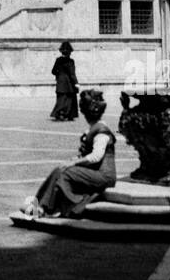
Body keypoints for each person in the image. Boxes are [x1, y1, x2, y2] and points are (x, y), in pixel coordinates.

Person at [19, 90, 116, 219]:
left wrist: (74, 162)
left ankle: (49, 208)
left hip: (104, 175)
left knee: (65, 173)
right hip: (96, 171)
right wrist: (73, 160)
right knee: (59, 169)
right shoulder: (94, 129)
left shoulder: (101, 132)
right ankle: (39, 205)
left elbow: (96, 156)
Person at [50, 41, 78, 121]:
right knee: (70, 99)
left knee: (61, 100)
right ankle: (69, 114)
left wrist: (59, 75)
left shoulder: (58, 60)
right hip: (69, 83)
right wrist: (76, 83)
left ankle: (59, 114)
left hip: (60, 82)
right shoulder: (71, 61)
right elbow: (72, 74)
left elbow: (53, 71)